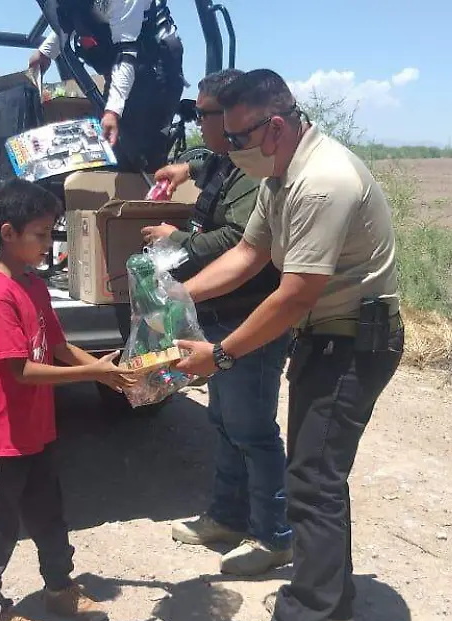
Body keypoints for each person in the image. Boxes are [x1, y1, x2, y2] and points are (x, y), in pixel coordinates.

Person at [172, 69, 406, 621]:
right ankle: (337, 608)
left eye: (237, 138)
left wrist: (220, 354)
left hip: (354, 346)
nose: (228, 149)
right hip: (327, 341)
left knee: (314, 484)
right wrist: (176, 301)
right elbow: (249, 255)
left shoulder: (321, 183)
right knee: (319, 480)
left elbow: (297, 292)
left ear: (273, 127)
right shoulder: (279, 174)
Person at [0, 178, 137, 621]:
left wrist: (104, 370)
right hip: (2, 434)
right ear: (8, 233)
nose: (48, 244)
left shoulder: (31, 285)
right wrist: (90, 376)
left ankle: (60, 588)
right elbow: (21, 370)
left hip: (36, 428)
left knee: (49, 514)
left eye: (50, 234)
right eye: (41, 235)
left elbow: (59, 347)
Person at [141, 68, 291, 577]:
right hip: (220, 313)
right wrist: (184, 167)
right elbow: (206, 162)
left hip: (251, 316)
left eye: (202, 115)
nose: (198, 123)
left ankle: (274, 536)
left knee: (252, 429)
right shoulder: (225, 160)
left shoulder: (252, 169)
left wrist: (174, 241)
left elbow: (237, 243)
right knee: (224, 422)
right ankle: (227, 518)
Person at [30, 0, 185, 172]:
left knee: (136, 156)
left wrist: (112, 111)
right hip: (122, 69)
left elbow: (127, 54)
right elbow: (77, 16)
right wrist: (45, 53)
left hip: (155, 68)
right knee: (107, 150)